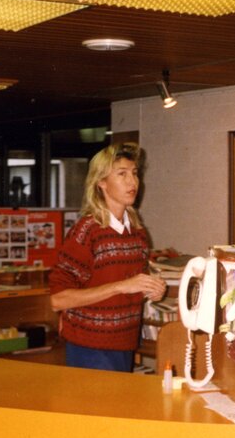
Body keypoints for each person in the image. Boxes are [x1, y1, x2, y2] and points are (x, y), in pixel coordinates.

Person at [49, 142, 166, 372]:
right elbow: (58, 300)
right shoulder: (87, 230)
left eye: (134, 173)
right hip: (89, 346)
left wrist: (151, 290)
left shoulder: (137, 231)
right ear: (101, 182)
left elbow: (128, 288)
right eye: (121, 174)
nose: (132, 182)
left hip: (125, 341)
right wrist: (122, 286)